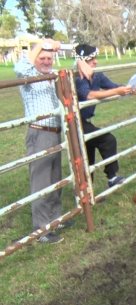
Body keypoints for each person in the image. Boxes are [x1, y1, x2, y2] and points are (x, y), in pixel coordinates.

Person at [14, 39, 65, 244]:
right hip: (39, 133)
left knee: (54, 178)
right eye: (42, 58)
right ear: (35, 59)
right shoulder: (29, 75)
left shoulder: (50, 76)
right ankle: (42, 229)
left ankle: (55, 219)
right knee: (41, 181)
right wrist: (41, 44)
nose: (46, 61)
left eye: (48, 58)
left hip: (54, 131)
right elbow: (20, 65)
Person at [74, 44, 136, 188]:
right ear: (83, 61)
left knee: (88, 155)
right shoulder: (78, 77)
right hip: (76, 123)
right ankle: (110, 178)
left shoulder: (97, 75)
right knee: (106, 140)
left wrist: (129, 88)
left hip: (86, 122)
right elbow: (89, 95)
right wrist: (117, 92)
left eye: (95, 58)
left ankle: (89, 190)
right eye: (91, 59)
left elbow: (114, 86)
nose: (95, 62)